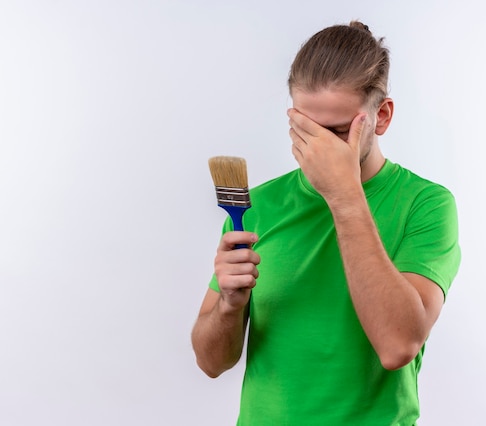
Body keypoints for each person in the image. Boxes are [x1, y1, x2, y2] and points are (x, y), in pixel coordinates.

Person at [191, 20, 461, 425]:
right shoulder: (257, 205)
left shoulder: (425, 205)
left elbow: (398, 345)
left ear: (381, 116)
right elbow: (211, 362)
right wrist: (230, 305)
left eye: (336, 132)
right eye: (305, 128)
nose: (318, 148)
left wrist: (344, 196)